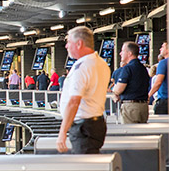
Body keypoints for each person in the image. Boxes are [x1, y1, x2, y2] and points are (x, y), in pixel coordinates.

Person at [56, 26, 110, 154]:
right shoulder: (101, 63)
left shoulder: (82, 67)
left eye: (69, 42)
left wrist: (62, 133)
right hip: (95, 123)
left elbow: (74, 101)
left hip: (83, 127)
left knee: (85, 169)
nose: (66, 46)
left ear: (79, 43)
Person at [111, 42, 150, 123]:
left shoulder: (127, 68)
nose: (120, 53)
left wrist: (114, 90)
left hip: (131, 107)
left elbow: (119, 89)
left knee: (130, 132)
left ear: (129, 53)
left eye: (122, 51)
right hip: (143, 106)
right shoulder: (143, 69)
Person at [148, 41, 168, 114]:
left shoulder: (163, 63)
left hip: (165, 100)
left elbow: (158, 82)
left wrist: (149, 95)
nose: (160, 49)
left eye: (162, 47)